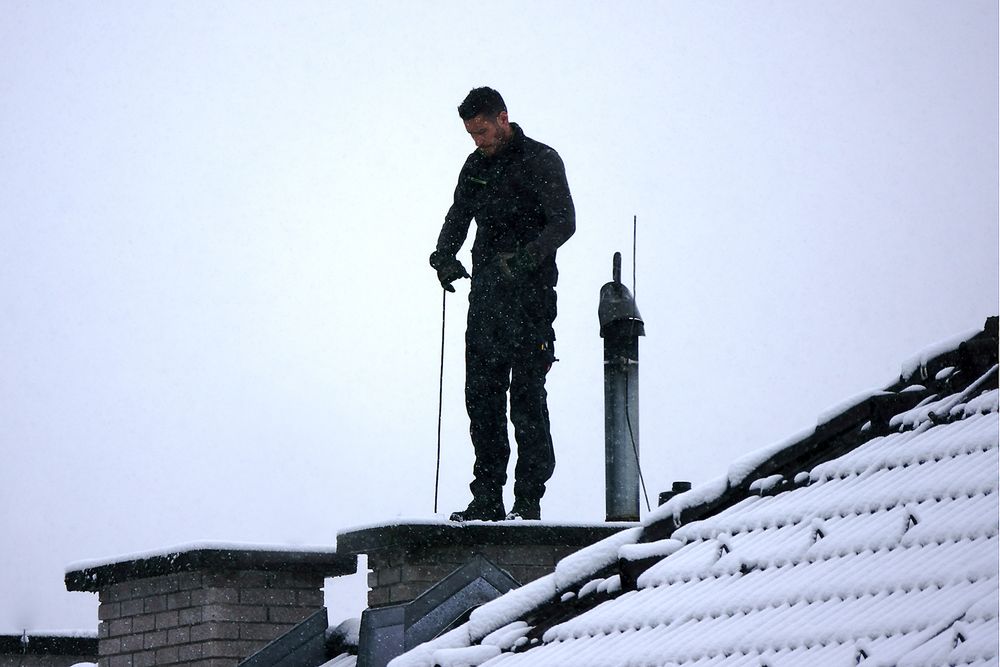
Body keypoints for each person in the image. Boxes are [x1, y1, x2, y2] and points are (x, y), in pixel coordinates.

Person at [429, 87, 575, 521]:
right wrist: (443, 255)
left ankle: (527, 501)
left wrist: (529, 257)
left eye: (483, 130)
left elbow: (564, 221)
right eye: (471, 134)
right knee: (482, 399)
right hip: (486, 300)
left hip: (531, 300)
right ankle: (487, 498)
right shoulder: (475, 166)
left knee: (527, 399)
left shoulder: (541, 160)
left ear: (503, 118)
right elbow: (458, 214)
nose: (478, 140)